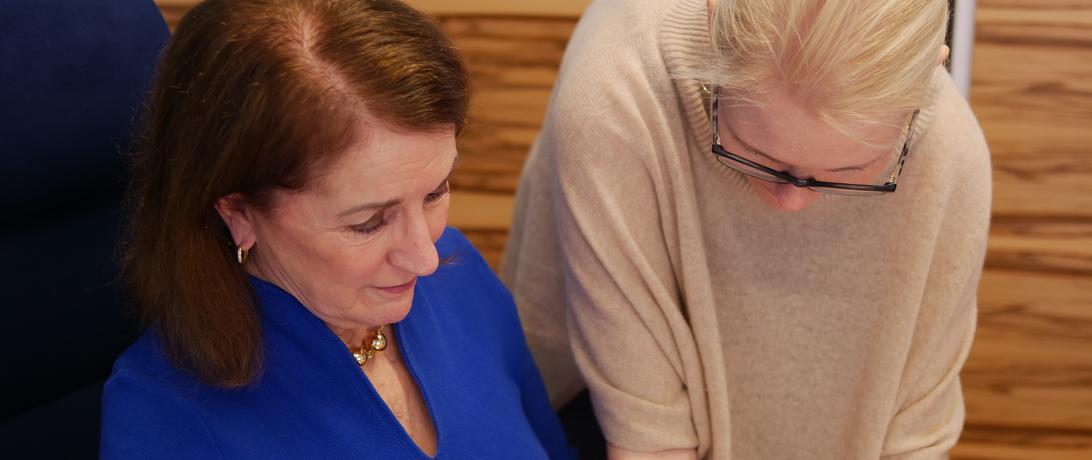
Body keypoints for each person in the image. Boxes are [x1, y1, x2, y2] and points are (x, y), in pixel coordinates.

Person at [503, 0, 990, 458]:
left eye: (849, 172)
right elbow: (650, 440)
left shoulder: (952, 156)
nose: (793, 201)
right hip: (595, 411)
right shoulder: (617, 93)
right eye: (758, 157)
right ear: (714, 25)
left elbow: (914, 440)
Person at [100, 1, 574, 458]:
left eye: (435, 192)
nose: (426, 257)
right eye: (368, 223)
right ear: (237, 211)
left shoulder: (460, 277)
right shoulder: (168, 417)